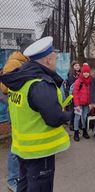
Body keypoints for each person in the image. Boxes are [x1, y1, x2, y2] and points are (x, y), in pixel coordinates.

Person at [0, 36, 71, 192]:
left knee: (24, 184)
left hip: (23, 148)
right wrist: (69, 115)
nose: (56, 61)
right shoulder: (39, 84)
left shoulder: (20, 78)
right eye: (55, 58)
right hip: (39, 152)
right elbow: (54, 118)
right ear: (47, 61)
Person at [0, 37, 33, 192]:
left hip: (22, 109)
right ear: (25, 49)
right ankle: (12, 179)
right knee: (16, 147)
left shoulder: (25, 61)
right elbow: (5, 87)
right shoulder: (14, 62)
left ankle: (20, 176)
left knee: (21, 145)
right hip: (14, 109)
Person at [73, 63, 93, 141]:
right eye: (84, 72)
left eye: (87, 72)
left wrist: (91, 103)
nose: (86, 73)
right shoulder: (78, 81)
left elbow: (92, 92)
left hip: (86, 104)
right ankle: (76, 132)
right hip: (79, 104)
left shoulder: (91, 81)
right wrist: (77, 105)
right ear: (82, 72)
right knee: (77, 118)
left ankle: (84, 131)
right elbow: (75, 93)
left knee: (84, 117)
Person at [65, 60, 81, 131]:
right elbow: (70, 85)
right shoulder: (71, 75)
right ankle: (71, 124)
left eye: (78, 65)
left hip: (80, 95)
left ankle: (78, 124)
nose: (77, 67)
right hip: (73, 95)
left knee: (79, 110)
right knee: (72, 110)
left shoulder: (81, 74)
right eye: (75, 66)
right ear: (73, 67)